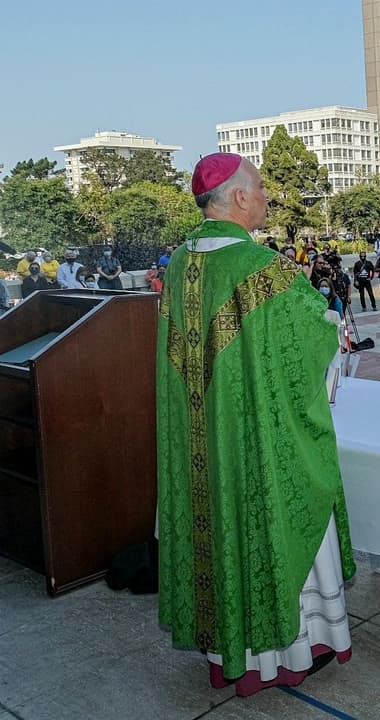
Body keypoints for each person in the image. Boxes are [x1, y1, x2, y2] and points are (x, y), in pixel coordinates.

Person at [157, 153, 354, 695]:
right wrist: (332, 326)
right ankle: (284, 652)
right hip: (256, 443)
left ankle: (226, 651)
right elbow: (313, 344)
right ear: (239, 197)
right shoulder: (263, 268)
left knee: (218, 528)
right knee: (276, 513)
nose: (267, 198)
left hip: (205, 446)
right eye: (262, 189)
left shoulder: (178, 263)